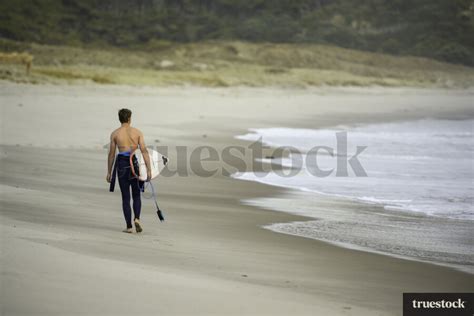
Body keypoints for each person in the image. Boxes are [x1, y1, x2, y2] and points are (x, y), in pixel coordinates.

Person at [107, 108, 151, 233]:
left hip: (121, 164)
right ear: (129, 119)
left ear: (119, 119)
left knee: (126, 197)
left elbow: (111, 154)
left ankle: (129, 227)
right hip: (135, 164)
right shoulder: (137, 133)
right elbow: (144, 151)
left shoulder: (115, 134)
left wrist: (109, 172)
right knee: (136, 195)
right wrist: (148, 169)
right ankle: (137, 219)